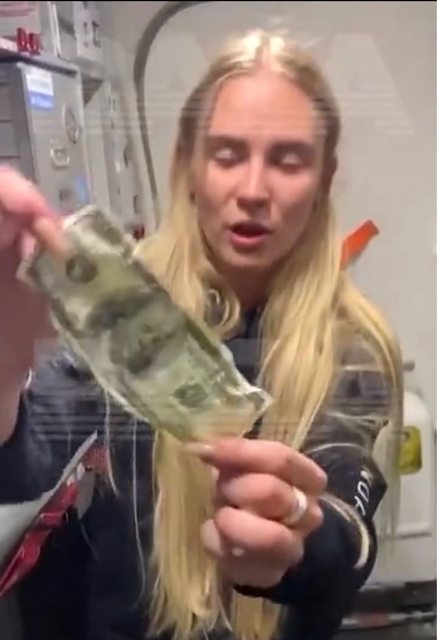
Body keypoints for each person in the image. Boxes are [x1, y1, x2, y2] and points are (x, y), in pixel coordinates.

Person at [0, 29, 403, 640]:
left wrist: (300, 534)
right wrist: (7, 361)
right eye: (228, 154)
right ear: (189, 163)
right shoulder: (122, 305)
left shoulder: (355, 347)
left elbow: (348, 522)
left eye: (288, 161)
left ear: (324, 179)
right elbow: (26, 461)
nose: (253, 191)